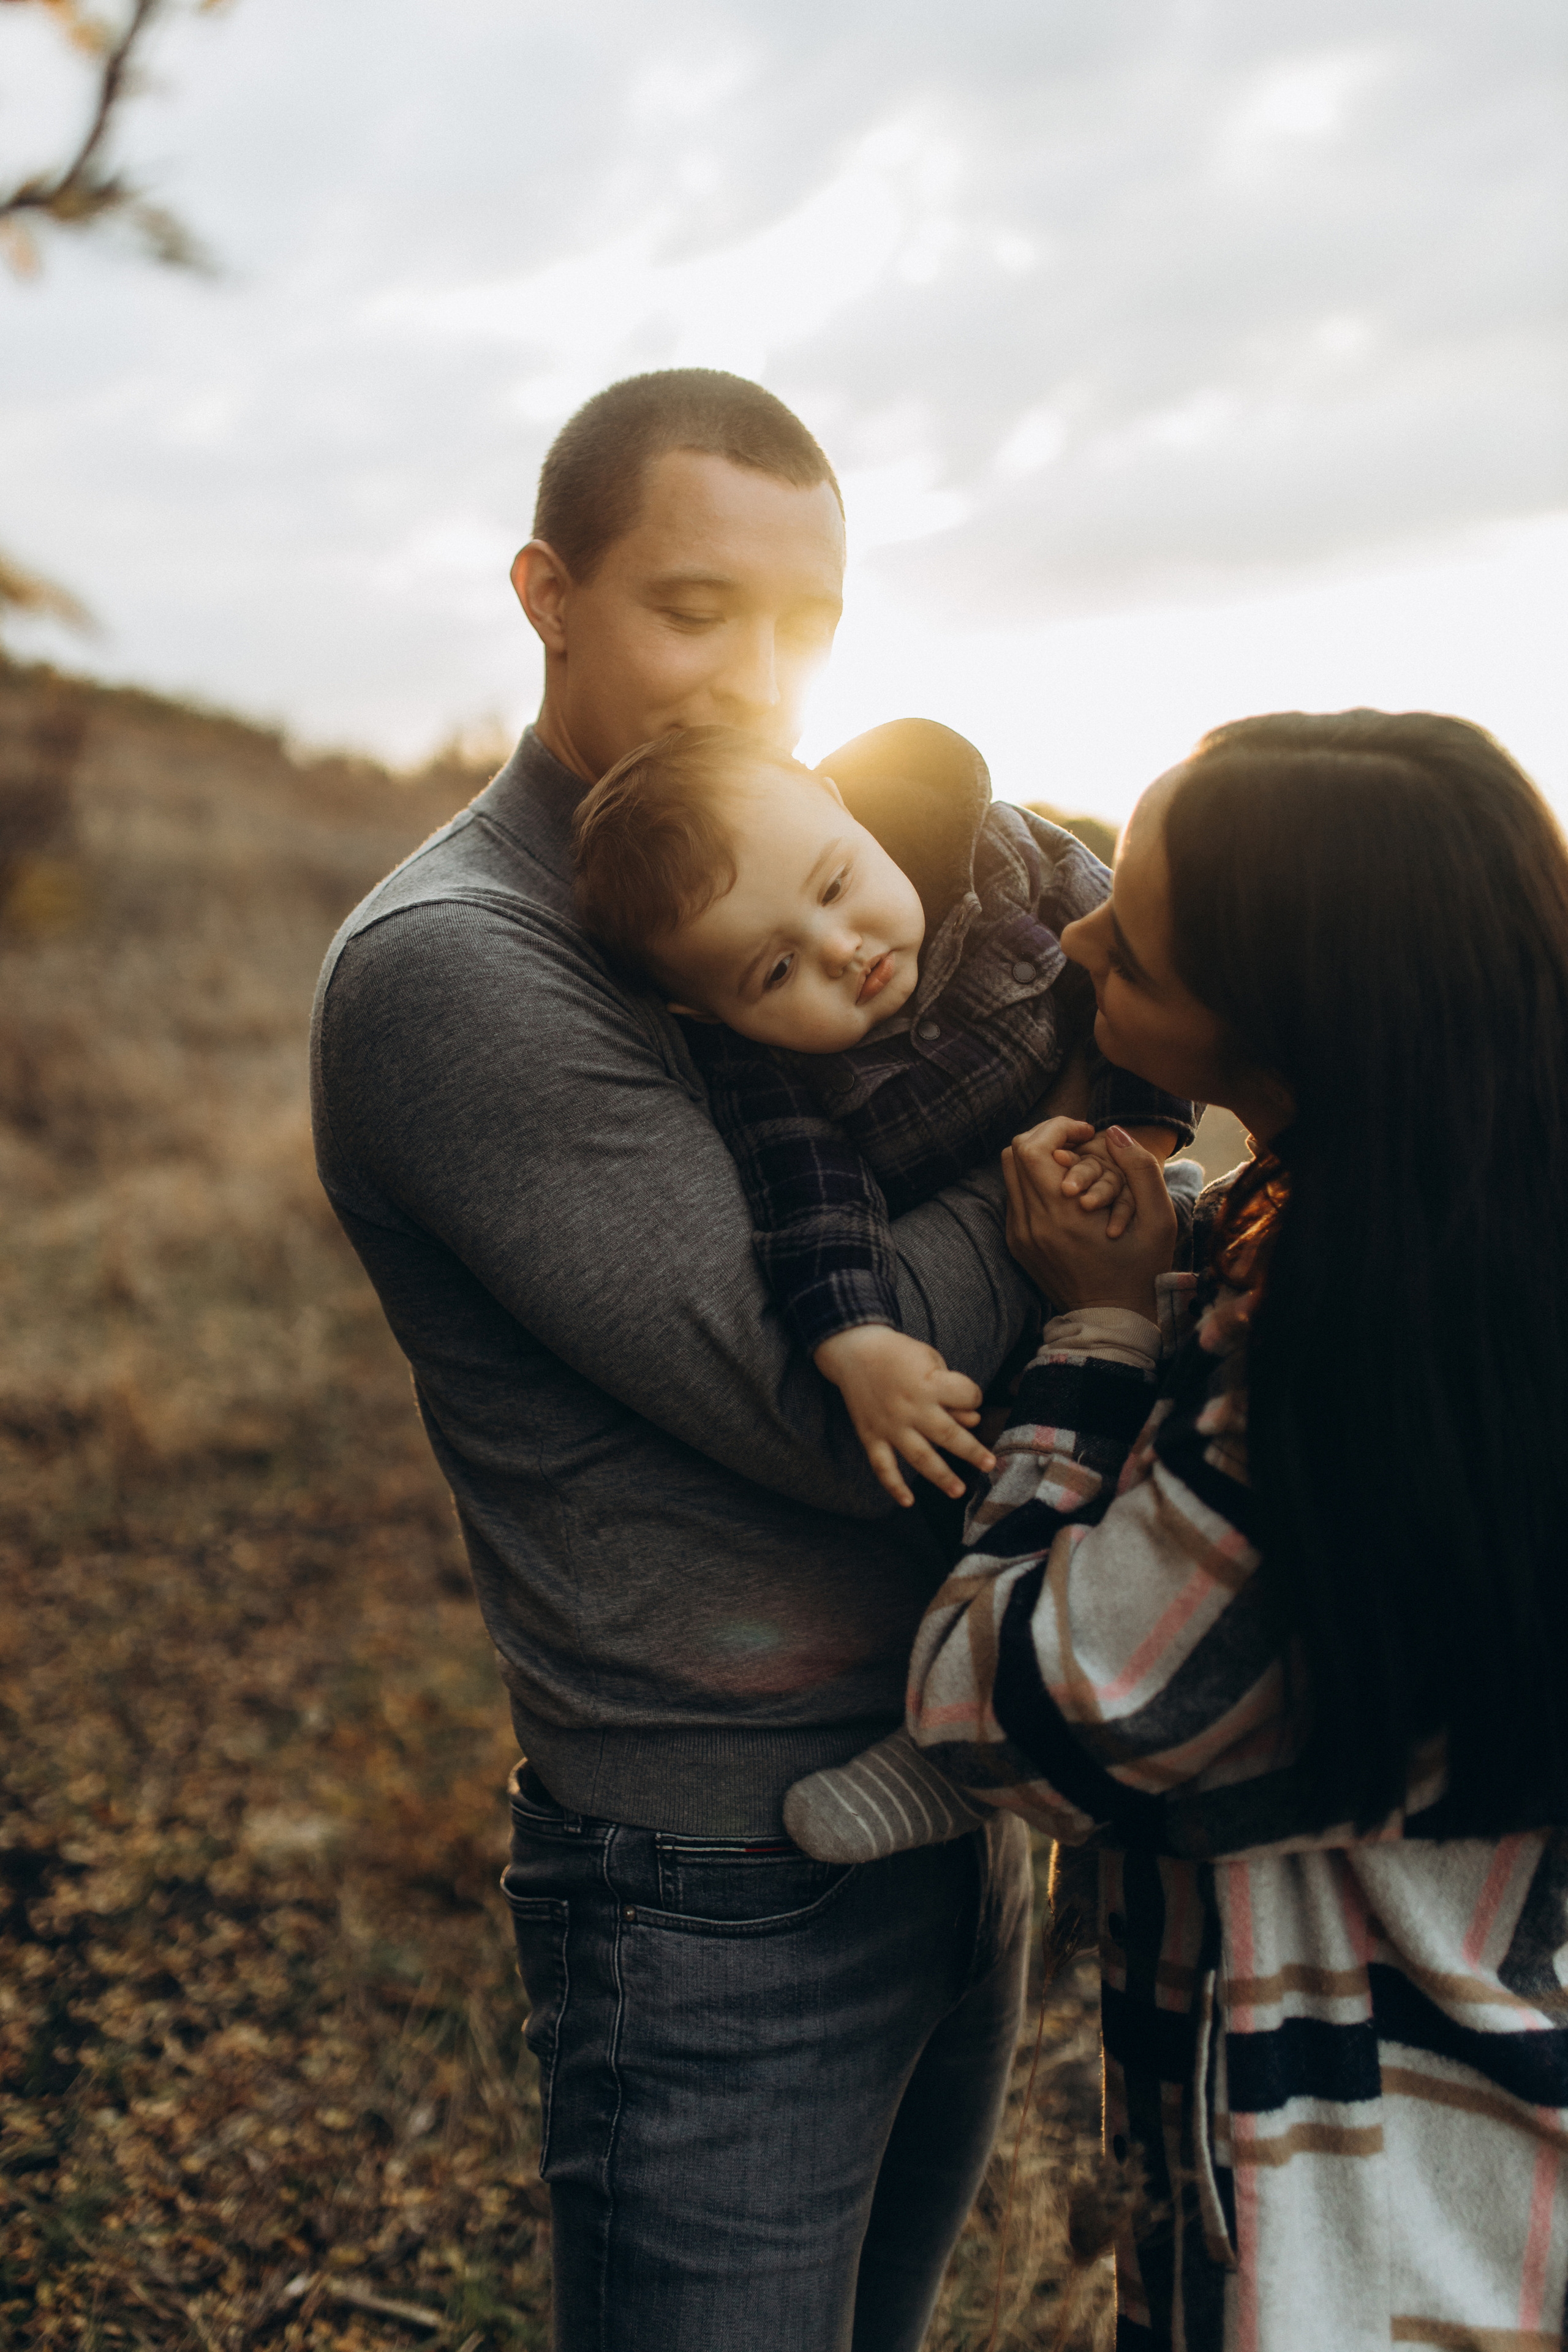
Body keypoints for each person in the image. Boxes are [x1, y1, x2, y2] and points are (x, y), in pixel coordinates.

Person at [311, 368, 1067, 2350]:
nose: (757, 675)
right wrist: (1098, 1154)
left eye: (804, 621)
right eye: (695, 606)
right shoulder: (463, 968)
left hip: (946, 1796)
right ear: (547, 591)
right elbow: (830, 1411)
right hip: (715, 1876)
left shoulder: (824, 864)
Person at [873, 709, 1568, 2348]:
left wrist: (1099, 1342)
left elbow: (1006, 1707)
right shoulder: (1481, 1264)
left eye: (1145, 952)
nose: (1080, 932)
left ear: (1293, 1037)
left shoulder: (1352, 1368)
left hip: (1371, 2216)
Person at [570, 722, 1196, 1510]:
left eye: (833, 886)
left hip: (1151, 1209)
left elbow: (1142, 981)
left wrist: (1134, 1142)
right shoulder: (768, 1072)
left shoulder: (1003, 859)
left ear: (842, 808)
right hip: (1016, 1342)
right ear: (705, 1011)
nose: (839, 948)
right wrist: (859, 1342)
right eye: (778, 969)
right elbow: (814, 1204)